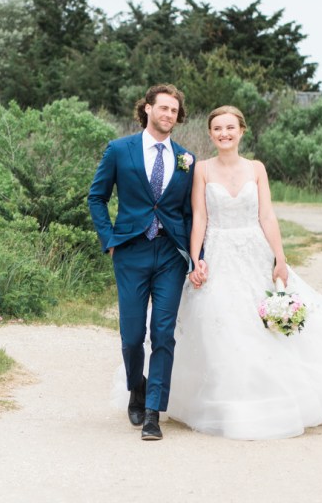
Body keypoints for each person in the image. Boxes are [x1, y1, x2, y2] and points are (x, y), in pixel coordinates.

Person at [166, 105, 322, 439]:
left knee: (263, 324)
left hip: (254, 250)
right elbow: (200, 217)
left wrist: (280, 258)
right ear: (210, 134)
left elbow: (267, 216)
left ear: (242, 131)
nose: (224, 134)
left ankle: (271, 398)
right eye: (217, 129)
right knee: (221, 321)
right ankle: (226, 403)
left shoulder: (256, 168)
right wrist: (195, 260)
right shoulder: (202, 170)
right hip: (218, 252)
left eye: (230, 128)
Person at [88, 84, 196, 441]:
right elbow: (96, 197)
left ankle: (153, 412)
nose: (168, 115)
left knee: (163, 333)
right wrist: (110, 242)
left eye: (174, 111)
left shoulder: (186, 159)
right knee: (132, 336)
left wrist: (196, 257)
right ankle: (136, 386)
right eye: (163, 108)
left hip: (170, 255)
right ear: (147, 108)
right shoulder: (120, 150)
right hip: (130, 251)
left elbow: (190, 213)